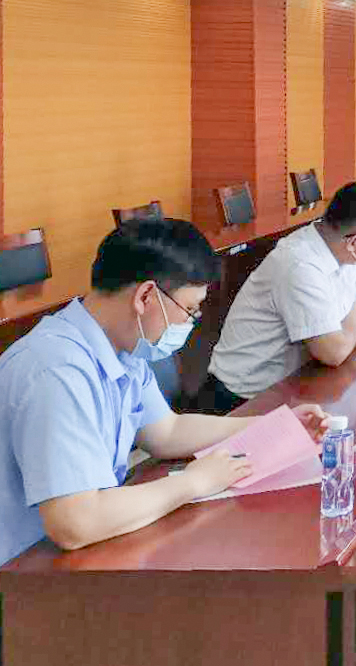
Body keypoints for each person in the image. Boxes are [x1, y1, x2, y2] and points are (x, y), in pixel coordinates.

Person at [0, 219, 330, 563]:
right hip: (23, 567)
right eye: (190, 310)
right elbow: (75, 523)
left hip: (70, 551)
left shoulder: (122, 348)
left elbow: (166, 431)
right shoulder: (56, 371)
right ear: (145, 296)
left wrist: (272, 425)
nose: (190, 322)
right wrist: (191, 483)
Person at [205, 182, 356, 410]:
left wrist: (348, 329)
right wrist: (351, 323)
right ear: (354, 241)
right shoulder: (300, 264)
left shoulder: (345, 252)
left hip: (294, 381)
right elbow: (333, 352)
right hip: (243, 397)